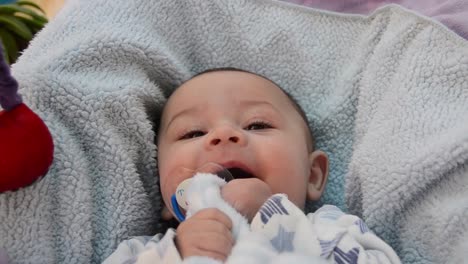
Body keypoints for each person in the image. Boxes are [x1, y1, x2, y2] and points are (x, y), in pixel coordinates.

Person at [103, 68, 400, 263]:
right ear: (164, 190)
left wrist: (276, 217)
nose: (222, 134)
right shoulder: (141, 253)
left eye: (257, 124)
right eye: (193, 133)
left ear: (313, 175)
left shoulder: (334, 230)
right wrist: (174, 254)